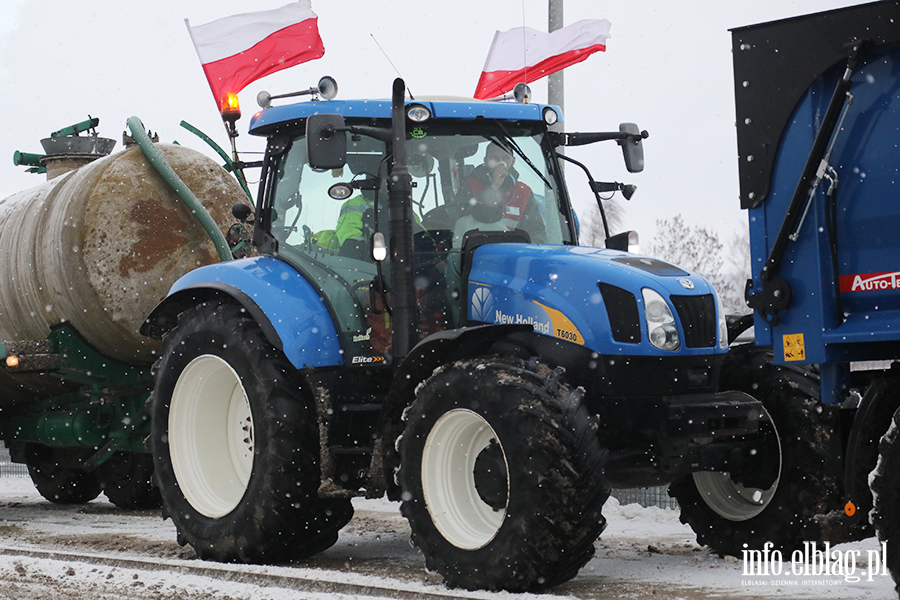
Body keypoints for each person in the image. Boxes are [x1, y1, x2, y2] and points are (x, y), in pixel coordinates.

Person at [453, 141, 546, 246]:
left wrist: (532, 249)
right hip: (472, 253)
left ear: (513, 161)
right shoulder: (470, 185)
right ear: (486, 161)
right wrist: (494, 186)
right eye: (494, 158)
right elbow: (458, 217)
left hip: (512, 256)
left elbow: (536, 229)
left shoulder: (523, 192)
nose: (501, 163)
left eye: (506, 158)